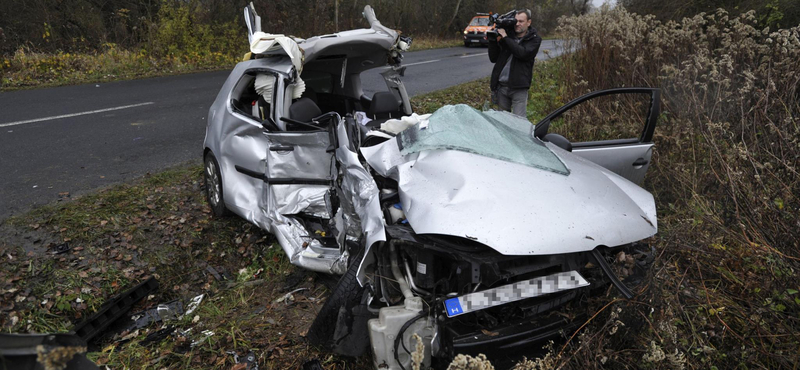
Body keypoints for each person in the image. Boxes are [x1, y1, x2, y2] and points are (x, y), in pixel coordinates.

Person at [488, 9, 542, 117]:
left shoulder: (534, 39)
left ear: (529, 22)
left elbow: (522, 53)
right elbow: (494, 58)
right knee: (503, 122)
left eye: (521, 21)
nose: (517, 24)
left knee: (519, 122)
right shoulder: (508, 35)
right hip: (502, 87)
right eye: (515, 21)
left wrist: (506, 38)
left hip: (519, 88)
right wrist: (492, 40)